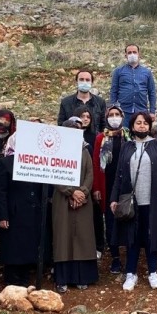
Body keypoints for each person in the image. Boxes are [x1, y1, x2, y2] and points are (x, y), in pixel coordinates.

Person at [110, 112, 157, 291]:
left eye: (145, 123)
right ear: (132, 126)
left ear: (149, 126)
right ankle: (131, 273)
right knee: (132, 238)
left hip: (152, 201)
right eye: (138, 123)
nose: (142, 126)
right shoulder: (127, 147)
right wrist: (114, 198)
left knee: (150, 236)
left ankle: (153, 271)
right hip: (132, 201)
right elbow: (119, 175)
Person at [0, 134, 52, 286]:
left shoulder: (36, 163)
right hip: (13, 214)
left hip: (32, 213)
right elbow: (0, 192)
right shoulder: (5, 163)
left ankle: (25, 281)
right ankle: (12, 282)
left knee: (28, 248)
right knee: (13, 249)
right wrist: (2, 216)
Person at [52, 117, 99, 293]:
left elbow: (90, 173)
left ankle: (82, 277)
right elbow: (54, 175)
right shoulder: (57, 152)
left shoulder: (84, 150)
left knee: (83, 237)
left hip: (83, 201)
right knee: (63, 238)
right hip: (62, 199)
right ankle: (62, 279)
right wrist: (71, 192)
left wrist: (82, 192)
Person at [93, 104, 131, 275]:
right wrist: (96, 188)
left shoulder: (129, 135)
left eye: (117, 114)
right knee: (110, 221)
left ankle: (130, 255)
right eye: (111, 114)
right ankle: (115, 257)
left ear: (122, 117)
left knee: (129, 218)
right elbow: (95, 164)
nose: (114, 117)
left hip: (127, 185)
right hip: (107, 185)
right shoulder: (101, 138)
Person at [73, 104, 105, 259]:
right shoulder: (69, 135)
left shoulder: (95, 137)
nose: (85, 119)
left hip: (90, 181)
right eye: (82, 116)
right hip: (73, 183)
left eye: (88, 117)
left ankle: (98, 245)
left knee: (95, 215)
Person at [110, 44, 157, 126]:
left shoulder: (147, 72)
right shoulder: (118, 71)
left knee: (140, 135)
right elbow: (114, 90)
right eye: (129, 52)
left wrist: (152, 111)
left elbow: (152, 92)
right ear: (126, 55)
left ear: (139, 54)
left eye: (134, 52)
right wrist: (113, 108)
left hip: (141, 111)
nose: (132, 54)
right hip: (124, 112)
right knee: (124, 135)